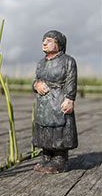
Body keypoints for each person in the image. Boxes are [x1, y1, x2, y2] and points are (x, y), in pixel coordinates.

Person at [32, 30, 78, 173]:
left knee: (59, 128)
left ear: (59, 44)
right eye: (43, 40)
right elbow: (35, 79)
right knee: (43, 127)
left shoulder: (68, 61)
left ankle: (59, 159)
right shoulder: (41, 63)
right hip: (43, 103)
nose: (44, 43)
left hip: (58, 100)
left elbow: (71, 81)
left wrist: (69, 98)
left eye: (49, 40)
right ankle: (46, 156)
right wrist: (36, 85)